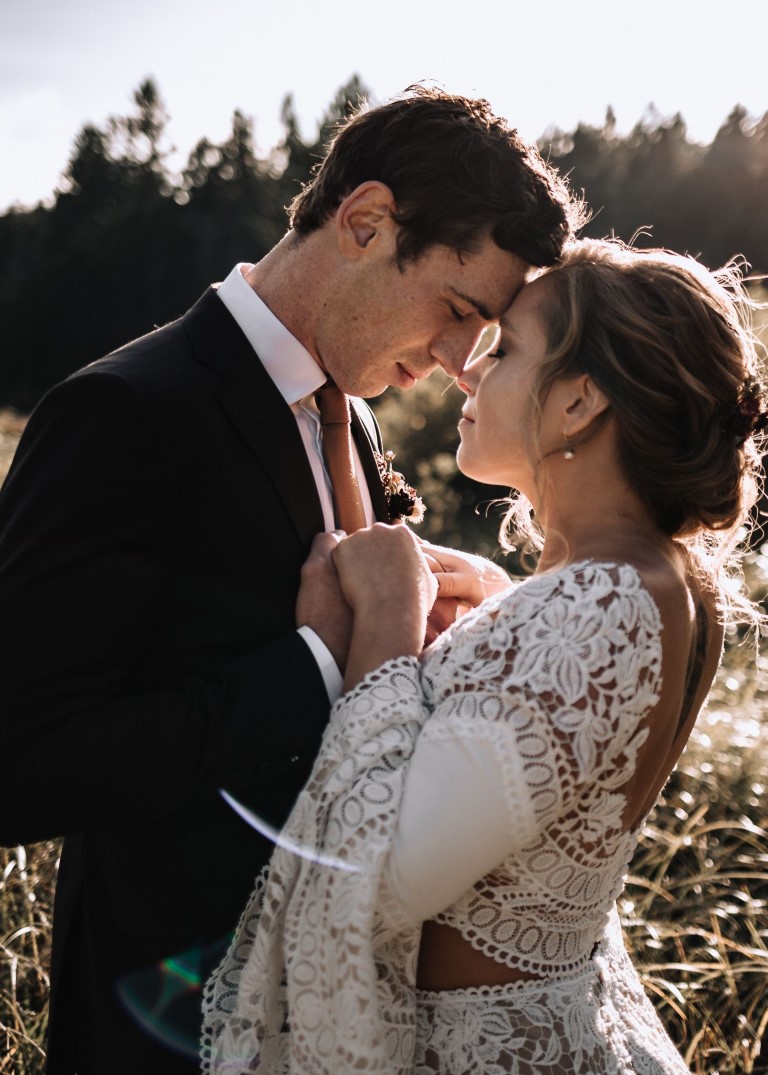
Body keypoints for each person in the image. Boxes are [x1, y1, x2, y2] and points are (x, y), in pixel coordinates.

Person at [0, 86, 579, 1074]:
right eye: (455, 310)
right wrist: (312, 664)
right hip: (166, 1021)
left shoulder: (347, 413)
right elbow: (21, 762)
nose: (452, 363)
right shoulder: (124, 414)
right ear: (364, 223)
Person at [201, 238, 767, 1074]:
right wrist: (500, 604)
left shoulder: (597, 604)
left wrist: (391, 617)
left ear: (579, 402)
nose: (468, 369)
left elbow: (380, 877)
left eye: (504, 350)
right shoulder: (662, 580)